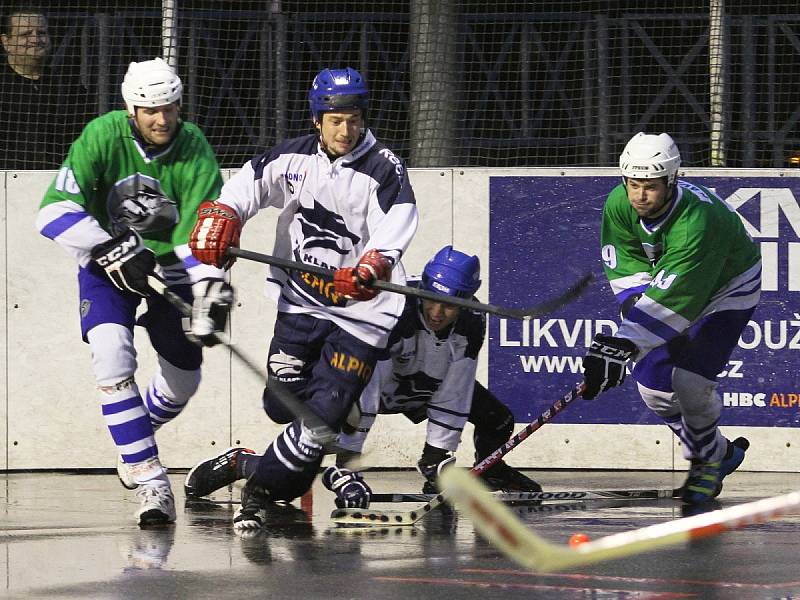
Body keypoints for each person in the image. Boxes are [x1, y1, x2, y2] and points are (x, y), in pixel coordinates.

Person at [187, 67, 418, 531]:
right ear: (317, 120)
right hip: (301, 303)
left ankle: (256, 490)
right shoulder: (292, 158)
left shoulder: (382, 167)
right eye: (335, 120)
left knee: (317, 424)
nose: (345, 130)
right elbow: (246, 186)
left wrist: (374, 264)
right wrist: (223, 214)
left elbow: (400, 216)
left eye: (353, 119)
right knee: (282, 407)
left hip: (362, 315)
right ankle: (251, 462)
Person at [183, 247, 541, 509]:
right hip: (358, 385)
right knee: (294, 479)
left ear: (467, 302)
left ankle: (490, 469)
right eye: (430, 300)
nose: (436, 311)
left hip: (416, 384)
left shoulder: (472, 322)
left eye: (448, 306)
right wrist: (347, 465)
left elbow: (456, 389)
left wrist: (438, 457)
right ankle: (242, 462)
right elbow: (365, 385)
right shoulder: (395, 310)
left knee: (499, 419)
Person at [36, 57, 228, 526]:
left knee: (185, 380)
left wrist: (209, 291)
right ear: (130, 110)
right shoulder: (102, 135)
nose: (162, 120)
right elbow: (51, 212)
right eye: (150, 111)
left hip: (170, 269)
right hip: (107, 265)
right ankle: (149, 479)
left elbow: (199, 235)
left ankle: (136, 430)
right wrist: (110, 245)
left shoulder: (194, 146)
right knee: (111, 354)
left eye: (170, 108)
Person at [581, 132, 760, 505]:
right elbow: (629, 271)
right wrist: (626, 338)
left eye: (649, 186)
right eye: (632, 184)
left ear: (672, 179)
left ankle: (705, 463)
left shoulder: (699, 220)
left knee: (691, 382)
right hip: (674, 285)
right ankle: (721, 452)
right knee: (655, 390)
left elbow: (678, 298)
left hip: (729, 286)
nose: (638, 196)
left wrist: (625, 340)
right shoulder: (619, 203)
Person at [1, 7, 92, 169]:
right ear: (6, 42)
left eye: (41, 33)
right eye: (25, 34)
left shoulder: (70, 87)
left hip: (61, 181)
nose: (36, 39)